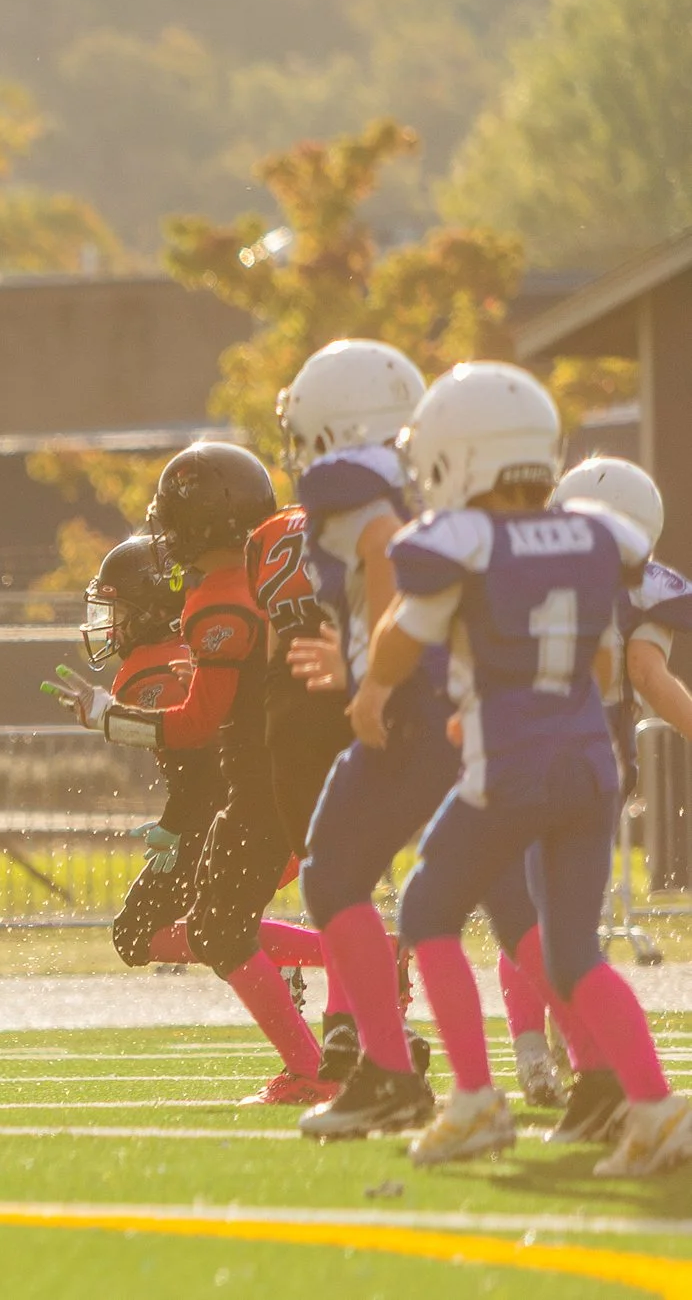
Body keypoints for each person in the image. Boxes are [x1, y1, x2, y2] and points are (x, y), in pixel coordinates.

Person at [362, 363, 689, 1174]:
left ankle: (473, 1097)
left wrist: (382, 670)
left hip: (511, 765)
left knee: (426, 905)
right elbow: (609, 669)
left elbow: (400, 645)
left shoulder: (459, 542)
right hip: (591, 763)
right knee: (574, 948)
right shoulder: (600, 534)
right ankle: (654, 1106)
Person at [276, 341, 561, 1139]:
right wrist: (366, 656)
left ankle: (391, 1074)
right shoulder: (422, 476)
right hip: (462, 696)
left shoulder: (352, 488)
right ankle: (611, 1071)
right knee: (509, 898)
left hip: (413, 708)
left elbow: (381, 556)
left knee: (333, 871)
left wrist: (375, 675)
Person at [46, 443, 331, 1105]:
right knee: (215, 923)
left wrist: (107, 717)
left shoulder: (214, 602)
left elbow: (195, 733)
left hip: (260, 794)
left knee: (203, 928)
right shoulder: (268, 582)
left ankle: (319, 1055)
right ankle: (340, 1023)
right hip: (297, 775)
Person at [541, 456, 692, 1144]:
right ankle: (590, 1072)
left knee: (549, 929)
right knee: (560, 927)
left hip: (535, 755)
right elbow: (646, 672)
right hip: (598, 761)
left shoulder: (526, 564)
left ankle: (606, 1078)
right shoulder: (643, 582)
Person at [76, 536, 218, 980]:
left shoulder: (150, 672)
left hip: (227, 820)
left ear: (152, 611)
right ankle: (298, 960)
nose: (108, 627)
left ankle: (296, 961)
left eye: (116, 614)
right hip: (237, 815)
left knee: (135, 935)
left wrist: (175, 825)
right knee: (224, 926)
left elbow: (201, 761)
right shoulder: (185, 649)